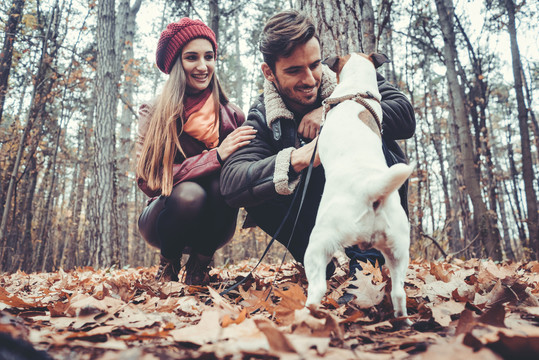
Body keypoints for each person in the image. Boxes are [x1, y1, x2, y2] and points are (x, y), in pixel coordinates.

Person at [220, 10, 415, 280]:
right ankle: (320, 262)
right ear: (269, 73)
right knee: (259, 189)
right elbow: (231, 182)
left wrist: (333, 113)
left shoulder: (353, 77)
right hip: (316, 216)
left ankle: (368, 272)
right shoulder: (263, 117)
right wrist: (296, 159)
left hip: (371, 204)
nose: (310, 79)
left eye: (314, 65)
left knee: (363, 134)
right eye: (294, 70)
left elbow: (405, 115)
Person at [136, 18, 256, 285]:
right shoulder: (154, 111)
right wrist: (215, 156)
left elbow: (245, 171)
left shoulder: (233, 114)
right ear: (177, 64)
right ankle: (168, 265)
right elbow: (148, 179)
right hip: (165, 217)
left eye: (209, 57)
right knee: (191, 193)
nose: (203, 67)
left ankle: (199, 267)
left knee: (222, 185)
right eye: (192, 58)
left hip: (217, 220)